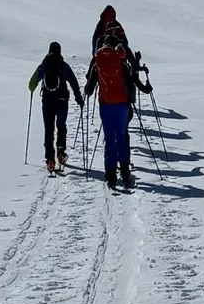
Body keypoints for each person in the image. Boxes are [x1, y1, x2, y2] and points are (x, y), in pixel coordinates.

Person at [85, 29, 138, 191]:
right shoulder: (121, 62)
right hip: (121, 105)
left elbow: (89, 87)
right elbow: (130, 84)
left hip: (105, 104)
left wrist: (87, 92)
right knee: (121, 137)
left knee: (109, 138)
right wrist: (131, 100)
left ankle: (110, 175)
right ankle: (125, 172)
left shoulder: (98, 61)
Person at [28, 41, 83, 173]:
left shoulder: (44, 65)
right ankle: (60, 152)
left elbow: (31, 84)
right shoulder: (63, 66)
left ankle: (50, 159)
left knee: (49, 130)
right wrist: (78, 98)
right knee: (61, 126)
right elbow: (74, 82)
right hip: (62, 101)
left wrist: (33, 88)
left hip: (47, 102)